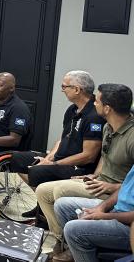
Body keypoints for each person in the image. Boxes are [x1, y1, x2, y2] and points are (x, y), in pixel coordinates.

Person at [36, 83, 134, 254]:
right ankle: (64, 241)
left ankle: (74, 242)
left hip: (114, 190)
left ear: (107, 108)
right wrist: (94, 175)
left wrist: (113, 187)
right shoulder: (108, 127)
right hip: (101, 182)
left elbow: (130, 182)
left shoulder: (131, 137)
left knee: (60, 191)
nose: (94, 103)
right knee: (43, 191)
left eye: (97, 101)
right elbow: (104, 156)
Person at [8, 71, 104, 218]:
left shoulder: (94, 116)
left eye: (64, 86)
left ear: (77, 89)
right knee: (17, 158)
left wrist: (54, 164)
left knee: (37, 172)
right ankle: (42, 204)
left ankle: (45, 208)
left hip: (79, 167)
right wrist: (49, 159)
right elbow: (63, 139)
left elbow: (88, 156)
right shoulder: (72, 109)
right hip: (60, 159)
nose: (62, 90)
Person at [52, 162, 134, 261]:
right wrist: (101, 207)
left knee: (73, 230)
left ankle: (78, 244)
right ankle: (75, 251)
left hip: (129, 227)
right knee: (62, 205)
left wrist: (103, 216)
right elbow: (124, 187)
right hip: (117, 210)